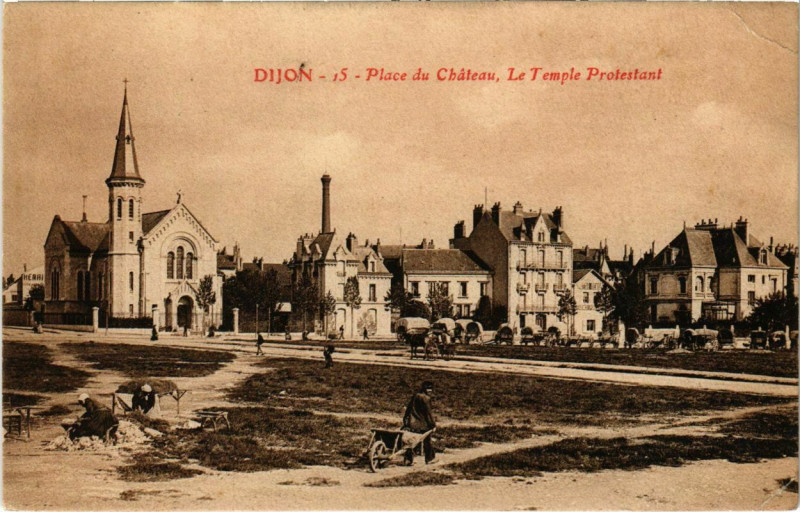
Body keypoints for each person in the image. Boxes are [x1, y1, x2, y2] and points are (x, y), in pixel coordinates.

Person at [402, 381, 437, 464]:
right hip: (422, 425)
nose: (429, 391)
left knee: (411, 441)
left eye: (430, 389)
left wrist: (406, 418)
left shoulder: (415, 396)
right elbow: (428, 413)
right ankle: (430, 458)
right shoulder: (426, 398)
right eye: (428, 389)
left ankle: (408, 459)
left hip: (412, 423)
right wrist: (433, 425)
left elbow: (409, 408)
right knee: (427, 441)